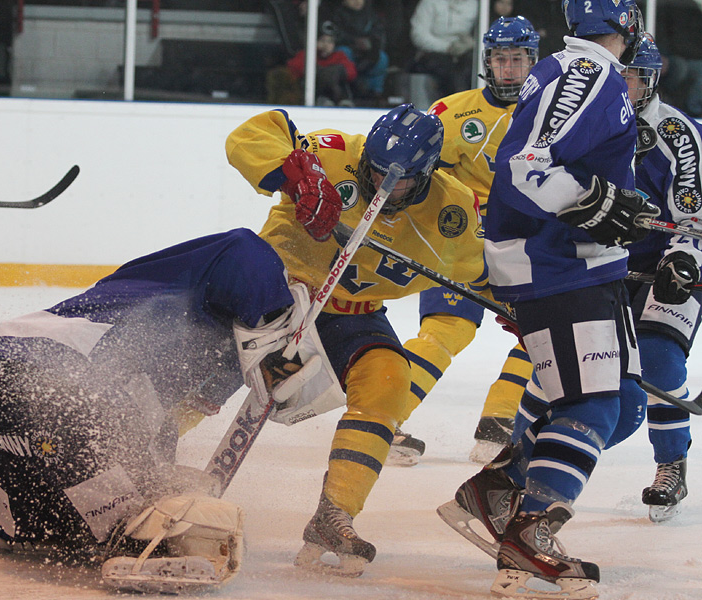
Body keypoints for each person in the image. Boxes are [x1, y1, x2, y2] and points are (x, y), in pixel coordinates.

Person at [0, 228, 338, 592]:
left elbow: (152, 418)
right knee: (139, 525)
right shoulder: (248, 275)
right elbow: (244, 248)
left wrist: (160, 475)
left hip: (4, 372)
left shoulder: (175, 319)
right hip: (57, 374)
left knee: (48, 531)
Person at [436, 1, 658, 598]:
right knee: (592, 409)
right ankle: (530, 532)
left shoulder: (584, 72)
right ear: (629, 25)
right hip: (556, 265)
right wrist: (594, 203)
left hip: (585, 264)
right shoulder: (589, 73)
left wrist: (613, 205)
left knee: (626, 405)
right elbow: (526, 166)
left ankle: (497, 489)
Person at [226, 103, 486, 576]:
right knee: (210, 363)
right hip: (276, 292)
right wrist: (298, 177)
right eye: (376, 170)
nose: (384, 184)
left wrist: (526, 308)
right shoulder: (334, 152)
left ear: (427, 174)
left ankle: (334, 513)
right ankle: (141, 465)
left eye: (401, 179)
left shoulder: (453, 209)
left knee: (389, 377)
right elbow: (252, 134)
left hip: (352, 315)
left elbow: (481, 271)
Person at [390, 16, 540, 466]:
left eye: (517, 59)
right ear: (486, 62)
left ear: (532, 61)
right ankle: (381, 420)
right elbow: (418, 181)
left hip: (525, 247)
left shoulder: (553, 114)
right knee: (443, 332)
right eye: (500, 59)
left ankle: (498, 424)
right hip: (462, 243)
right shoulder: (451, 112)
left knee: (541, 336)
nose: (509, 69)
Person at [623, 34, 697, 522]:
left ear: (651, 80)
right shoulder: (585, 125)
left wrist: (682, 260)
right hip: (605, 263)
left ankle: (671, 462)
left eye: (632, 76)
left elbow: (692, 219)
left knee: (659, 358)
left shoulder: (676, 133)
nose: (624, 85)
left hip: (670, 262)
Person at [409, 0, 479, 98]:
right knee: (446, 70)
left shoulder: (476, 4)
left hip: (465, 51)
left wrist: (472, 44)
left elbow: (483, 33)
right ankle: (453, 106)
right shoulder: (429, 3)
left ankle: (468, 105)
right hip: (433, 52)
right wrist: (447, 47)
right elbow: (418, 34)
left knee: (474, 66)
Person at [322, 0, 390, 101]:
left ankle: (375, 93)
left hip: (367, 54)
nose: (357, 1)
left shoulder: (371, 15)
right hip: (349, 50)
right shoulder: (336, 15)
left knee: (382, 58)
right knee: (343, 53)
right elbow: (334, 35)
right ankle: (345, 93)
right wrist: (354, 42)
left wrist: (370, 44)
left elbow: (379, 36)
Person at [286, 21, 358, 107]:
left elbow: (351, 72)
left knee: (335, 73)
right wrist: (318, 71)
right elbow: (293, 67)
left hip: (337, 95)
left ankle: (343, 102)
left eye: (330, 42)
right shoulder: (307, 55)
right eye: (322, 40)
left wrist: (336, 71)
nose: (326, 45)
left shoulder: (339, 56)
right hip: (317, 95)